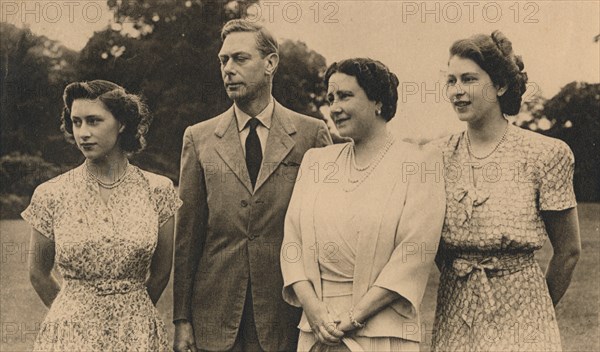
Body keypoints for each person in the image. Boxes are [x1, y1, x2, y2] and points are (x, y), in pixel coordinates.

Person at [172, 19, 332, 352]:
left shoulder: (311, 135)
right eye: (223, 60)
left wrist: (322, 310)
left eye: (240, 59)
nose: (228, 69)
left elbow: (327, 230)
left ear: (270, 63)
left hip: (284, 312)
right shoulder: (198, 138)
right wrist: (182, 319)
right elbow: (187, 235)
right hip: (214, 314)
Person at [281, 58, 446, 352]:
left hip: (382, 332)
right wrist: (315, 312)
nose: (334, 108)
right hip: (318, 331)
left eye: (345, 96)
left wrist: (353, 318)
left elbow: (413, 255)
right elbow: (291, 244)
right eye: (330, 99)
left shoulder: (418, 163)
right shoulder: (317, 162)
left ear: (378, 101)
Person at [431, 31, 581, 352]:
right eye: (451, 81)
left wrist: (534, 311)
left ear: (500, 85)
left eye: (469, 79)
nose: (457, 91)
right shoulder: (438, 156)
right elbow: (431, 243)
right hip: (455, 312)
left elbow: (568, 252)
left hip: (523, 312)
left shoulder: (545, 154)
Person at [22, 80, 181, 351]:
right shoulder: (51, 194)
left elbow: (161, 273)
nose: (83, 133)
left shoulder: (157, 190)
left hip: (137, 334)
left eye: (94, 121)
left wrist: (131, 313)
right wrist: (73, 313)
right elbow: (38, 273)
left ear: (121, 124)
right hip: (70, 336)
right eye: (77, 122)